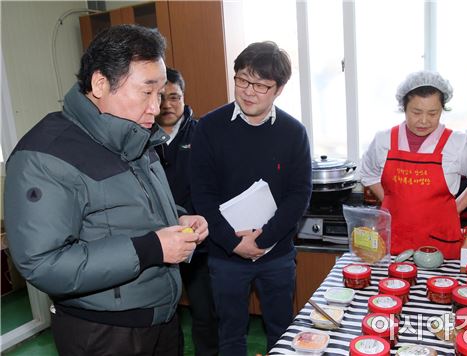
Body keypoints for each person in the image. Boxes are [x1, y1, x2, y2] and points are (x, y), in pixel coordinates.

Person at [3, 24, 209, 355]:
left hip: (163, 317)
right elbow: (42, 263)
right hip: (104, 333)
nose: (156, 108)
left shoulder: (137, 136)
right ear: (100, 84)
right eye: (147, 92)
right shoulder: (45, 154)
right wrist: (152, 248)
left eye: (160, 94)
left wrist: (182, 220)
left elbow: (134, 212)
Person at [190, 41, 312, 355]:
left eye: (260, 85)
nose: (248, 91)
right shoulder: (208, 128)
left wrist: (263, 239)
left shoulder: (293, 132)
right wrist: (233, 243)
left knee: (282, 331)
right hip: (225, 255)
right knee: (229, 335)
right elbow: (202, 194)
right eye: (242, 80)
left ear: (279, 88)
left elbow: (299, 195)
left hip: (277, 254)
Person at [358, 70, 467, 259]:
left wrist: (453, 209)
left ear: (442, 109)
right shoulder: (384, 140)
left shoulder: (457, 143)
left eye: (433, 113)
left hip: (440, 244)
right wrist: (391, 203)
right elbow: (368, 173)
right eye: (416, 112)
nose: (424, 120)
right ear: (403, 108)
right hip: (394, 240)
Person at [155, 67, 219, 355]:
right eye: (161, 97)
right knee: (162, 313)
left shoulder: (203, 132)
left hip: (197, 240)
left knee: (205, 310)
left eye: (174, 97)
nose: (167, 105)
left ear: (184, 97)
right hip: (156, 237)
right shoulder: (141, 136)